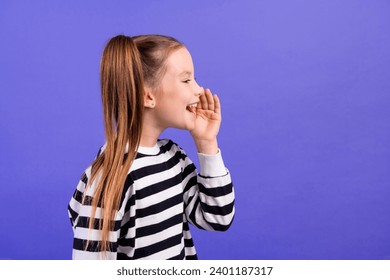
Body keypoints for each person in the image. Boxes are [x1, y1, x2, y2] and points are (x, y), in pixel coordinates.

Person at [68, 34, 235, 260]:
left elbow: (218, 217)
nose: (198, 89)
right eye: (186, 80)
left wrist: (206, 142)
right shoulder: (110, 178)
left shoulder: (173, 158)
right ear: (148, 96)